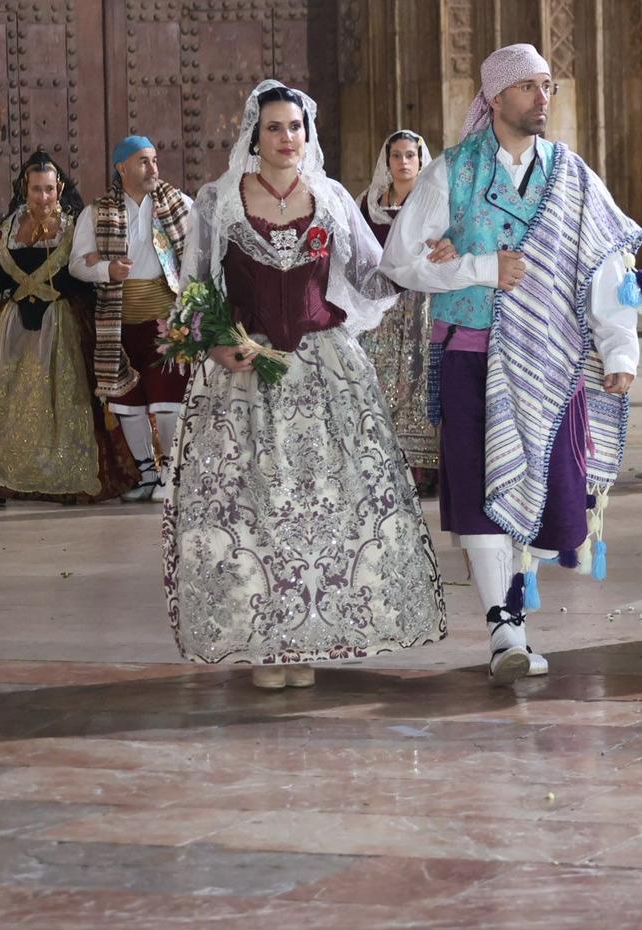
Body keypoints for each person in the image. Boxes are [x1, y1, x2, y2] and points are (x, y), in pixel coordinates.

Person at [166, 82, 447, 689]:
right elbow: (193, 291)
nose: (286, 138)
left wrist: (429, 255)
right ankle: (267, 639)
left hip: (324, 373)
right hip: (246, 377)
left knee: (318, 509)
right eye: (274, 127)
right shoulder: (219, 201)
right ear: (253, 133)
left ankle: (309, 636)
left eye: (295, 127)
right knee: (256, 506)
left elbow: (375, 279)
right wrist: (214, 340)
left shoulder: (333, 197)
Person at [383, 43, 642, 684]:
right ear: (495, 97)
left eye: (548, 85)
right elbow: (397, 260)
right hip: (472, 355)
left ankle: (514, 613)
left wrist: (620, 347)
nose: (542, 97)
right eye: (528, 87)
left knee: (538, 485)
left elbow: (608, 265)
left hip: (552, 364)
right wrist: (477, 268)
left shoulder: (572, 174)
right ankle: (505, 627)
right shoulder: (453, 171)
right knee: (477, 487)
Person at [0, 151, 137, 507]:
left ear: (60, 190)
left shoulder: (75, 227)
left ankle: (60, 472)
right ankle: (7, 475)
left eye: (50, 190)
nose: (43, 197)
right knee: (10, 398)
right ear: (25, 190)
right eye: (36, 190)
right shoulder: (7, 228)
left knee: (62, 397)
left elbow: (87, 275)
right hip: (12, 330)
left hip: (60, 325)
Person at [71, 135, 194, 502]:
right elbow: (77, 264)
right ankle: (146, 473)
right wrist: (107, 269)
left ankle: (171, 475)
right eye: (143, 161)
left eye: (155, 159)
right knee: (128, 402)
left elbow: (199, 256)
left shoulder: (180, 205)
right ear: (121, 167)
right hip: (118, 325)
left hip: (166, 323)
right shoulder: (95, 213)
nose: (153, 168)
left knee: (168, 400)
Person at [359, 129, 441, 490]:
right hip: (382, 307)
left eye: (411, 155)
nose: (404, 162)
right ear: (386, 160)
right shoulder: (368, 203)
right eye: (397, 155)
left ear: (421, 160)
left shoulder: (435, 200)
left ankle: (424, 468)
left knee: (420, 377)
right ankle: (382, 462)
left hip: (423, 302)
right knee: (382, 379)